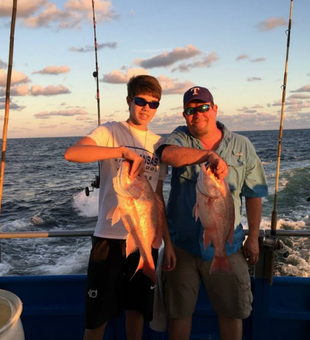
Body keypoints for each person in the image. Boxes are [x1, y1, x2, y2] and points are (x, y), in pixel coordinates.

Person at [64, 75, 176, 340]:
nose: (146, 108)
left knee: (136, 311)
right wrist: (121, 151)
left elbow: (157, 198)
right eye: (140, 101)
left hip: (146, 241)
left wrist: (167, 243)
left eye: (153, 103)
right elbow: (72, 153)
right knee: (97, 317)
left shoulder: (159, 144)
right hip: (108, 239)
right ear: (129, 100)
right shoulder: (110, 131)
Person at [155, 86, 268, 340]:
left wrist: (252, 236)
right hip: (182, 250)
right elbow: (167, 154)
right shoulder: (179, 138)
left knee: (231, 313)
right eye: (190, 110)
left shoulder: (242, 145)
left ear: (214, 109)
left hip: (227, 247)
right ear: (185, 116)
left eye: (204, 107)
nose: (198, 114)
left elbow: (254, 193)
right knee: (179, 314)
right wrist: (208, 156)